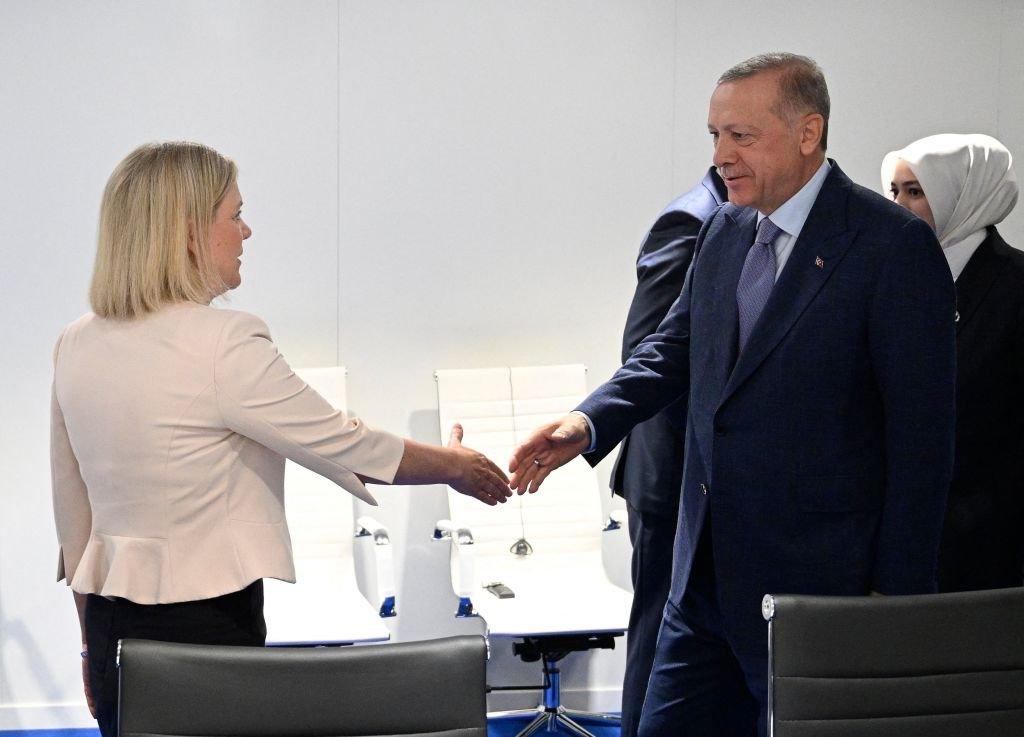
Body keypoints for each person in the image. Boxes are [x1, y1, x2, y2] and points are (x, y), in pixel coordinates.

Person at [509, 53, 956, 737]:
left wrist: (893, 601)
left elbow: (922, 442)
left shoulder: (890, 246)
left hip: (820, 597)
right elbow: (676, 347)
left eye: (740, 136)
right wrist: (586, 422)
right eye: (713, 135)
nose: (720, 154)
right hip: (703, 588)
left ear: (809, 133)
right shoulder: (723, 229)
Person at [51, 141, 512, 737]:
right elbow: (349, 446)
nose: (247, 231)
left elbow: (74, 515)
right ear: (189, 232)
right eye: (233, 214)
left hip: (112, 619)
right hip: (208, 623)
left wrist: (89, 644)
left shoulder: (74, 343)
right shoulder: (225, 341)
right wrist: (456, 466)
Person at [610, 167, 726, 737]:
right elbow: (649, 351)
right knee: (659, 647)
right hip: (673, 480)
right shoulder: (694, 219)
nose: (728, 152)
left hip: (716, 482)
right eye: (722, 137)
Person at [883, 133, 1023, 592]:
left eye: (916, 191)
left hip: (988, 546)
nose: (899, 205)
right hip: (897, 538)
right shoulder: (888, 279)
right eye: (895, 190)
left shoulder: (1015, 286)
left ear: (963, 194)